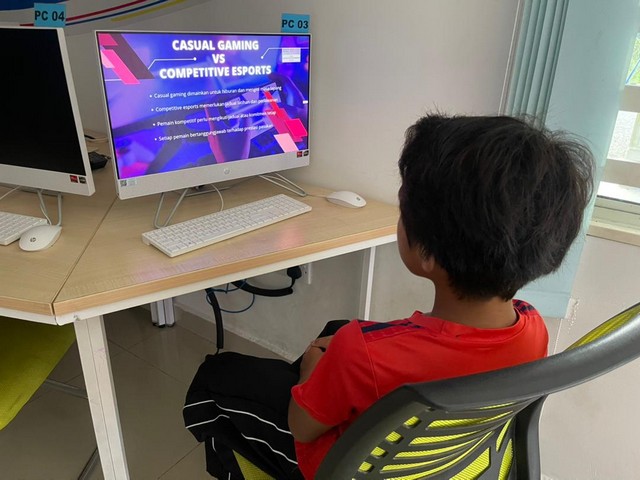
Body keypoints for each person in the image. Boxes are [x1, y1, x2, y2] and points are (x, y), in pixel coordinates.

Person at [183, 113, 595, 479]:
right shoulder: (533, 328)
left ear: (428, 252)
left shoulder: (359, 352)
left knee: (215, 376)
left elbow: (302, 428)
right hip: (442, 462)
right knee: (337, 328)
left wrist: (312, 370)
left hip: (333, 465)